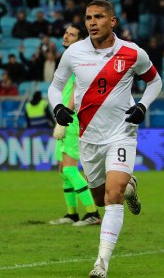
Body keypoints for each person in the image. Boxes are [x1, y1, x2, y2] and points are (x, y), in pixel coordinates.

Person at [48, 0, 162, 277]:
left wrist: (143, 105)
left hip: (121, 134)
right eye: (88, 17)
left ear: (113, 22)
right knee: (100, 198)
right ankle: (131, 188)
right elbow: (56, 86)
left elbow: (156, 81)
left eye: (99, 16)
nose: (92, 22)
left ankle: (101, 263)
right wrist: (58, 107)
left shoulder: (132, 52)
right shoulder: (74, 53)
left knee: (113, 197)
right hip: (89, 138)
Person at [49, 23, 101, 227]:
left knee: (70, 170)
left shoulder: (79, 60)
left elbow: (77, 89)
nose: (66, 36)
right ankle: (72, 213)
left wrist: (66, 116)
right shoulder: (68, 59)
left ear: (80, 40)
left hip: (71, 120)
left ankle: (92, 212)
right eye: (65, 32)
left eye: (71, 34)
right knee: (63, 170)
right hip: (64, 118)